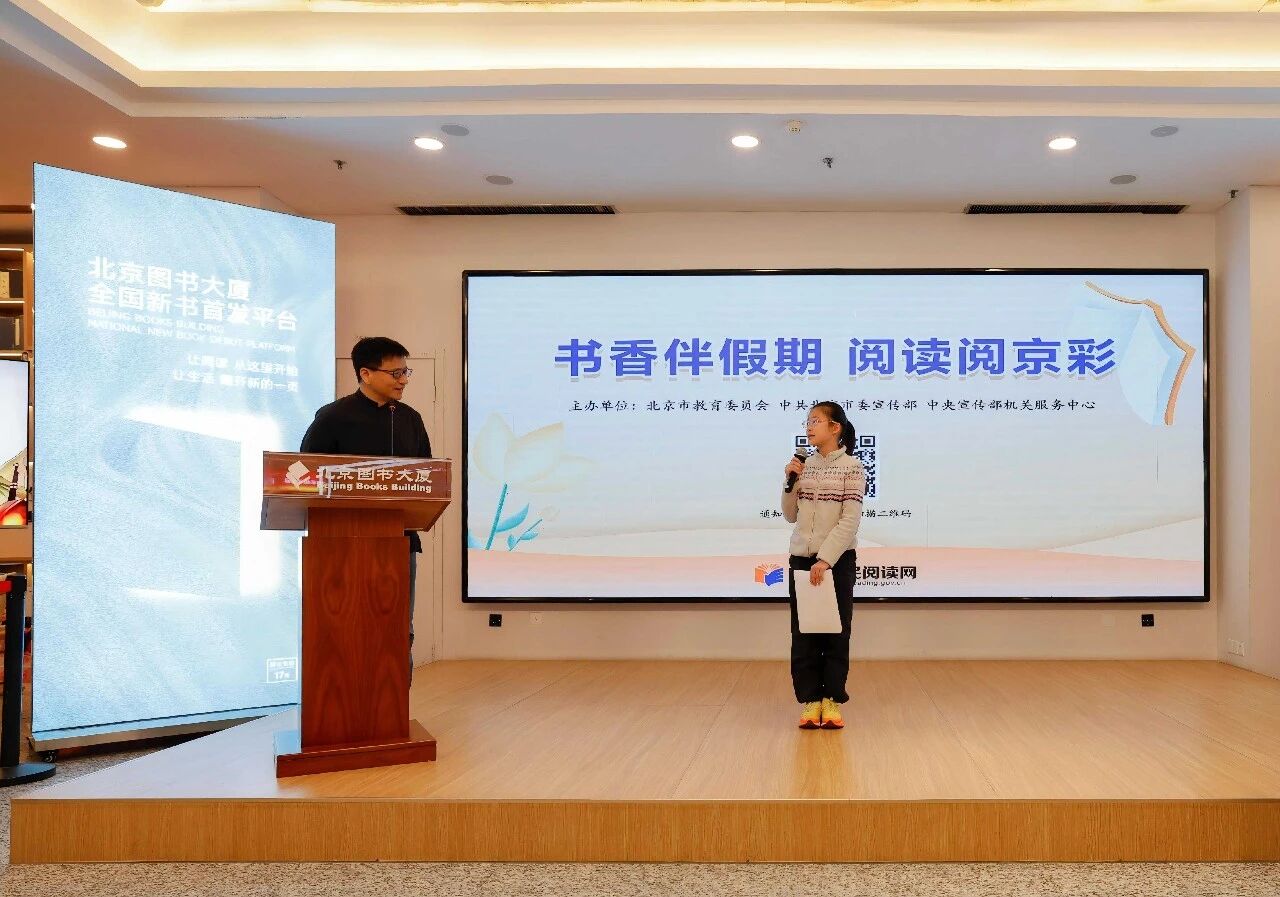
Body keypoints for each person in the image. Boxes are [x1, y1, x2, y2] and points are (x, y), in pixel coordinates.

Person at [300, 337, 432, 676]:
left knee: (398, 631)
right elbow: (305, 474)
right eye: (395, 373)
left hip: (399, 542)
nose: (403, 380)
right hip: (340, 546)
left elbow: (428, 480)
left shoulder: (410, 420)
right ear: (366, 374)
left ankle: (394, 702)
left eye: (406, 372)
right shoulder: (333, 417)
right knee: (342, 630)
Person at [781, 401, 866, 730]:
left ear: (835, 428)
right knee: (804, 633)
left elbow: (850, 520)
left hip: (836, 561)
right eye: (807, 421)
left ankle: (831, 699)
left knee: (835, 631)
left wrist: (826, 559)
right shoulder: (805, 466)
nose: (809, 426)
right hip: (801, 559)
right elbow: (791, 515)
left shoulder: (852, 467)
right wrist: (790, 482)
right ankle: (810, 700)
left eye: (816, 421)